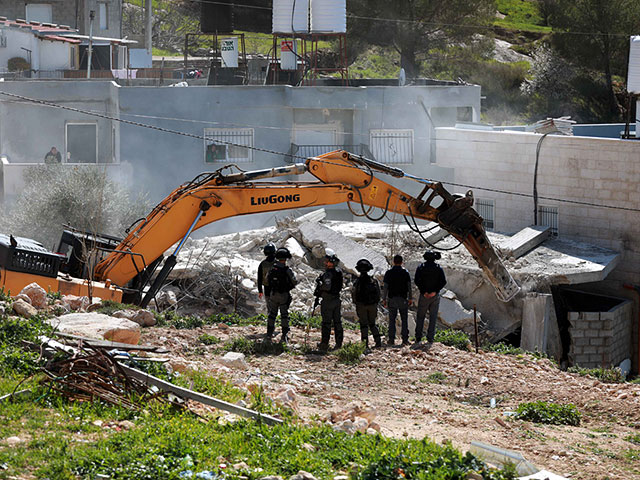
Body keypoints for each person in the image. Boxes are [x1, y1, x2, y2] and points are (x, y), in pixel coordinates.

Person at [414, 250, 447, 346]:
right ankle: (430, 339)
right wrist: (435, 292)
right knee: (433, 317)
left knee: (420, 316)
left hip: (424, 296)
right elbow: (443, 281)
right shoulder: (438, 268)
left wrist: (424, 291)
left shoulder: (421, 267)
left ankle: (418, 337)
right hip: (435, 296)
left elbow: (417, 280)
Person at [265, 247, 297, 344]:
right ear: (286, 258)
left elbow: (267, 280)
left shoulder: (272, 268)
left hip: (273, 294)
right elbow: (294, 281)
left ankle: (269, 335)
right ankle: (284, 336)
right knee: (284, 315)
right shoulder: (287, 270)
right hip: (284, 295)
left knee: (272, 315)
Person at [315, 249, 343, 351]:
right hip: (336, 299)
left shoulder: (327, 274)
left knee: (326, 323)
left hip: (328, 300)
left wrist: (320, 288)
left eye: (327, 261)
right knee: (337, 322)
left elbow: (327, 286)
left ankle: (324, 344)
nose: (325, 263)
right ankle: (339, 344)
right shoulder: (339, 272)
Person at [382, 254, 413, 346]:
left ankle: (391, 339)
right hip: (403, 299)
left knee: (392, 320)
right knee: (404, 319)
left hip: (392, 299)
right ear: (402, 262)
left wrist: (384, 299)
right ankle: (405, 340)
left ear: (393, 262)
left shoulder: (389, 273)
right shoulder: (405, 273)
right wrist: (410, 298)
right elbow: (409, 287)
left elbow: (385, 287)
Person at [352, 258, 382, 349]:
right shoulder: (373, 281)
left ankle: (364, 344)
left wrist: (356, 303)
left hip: (361, 305)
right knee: (372, 324)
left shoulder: (357, 282)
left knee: (363, 325)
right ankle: (378, 342)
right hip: (372, 305)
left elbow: (354, 294)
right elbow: (378, 293)